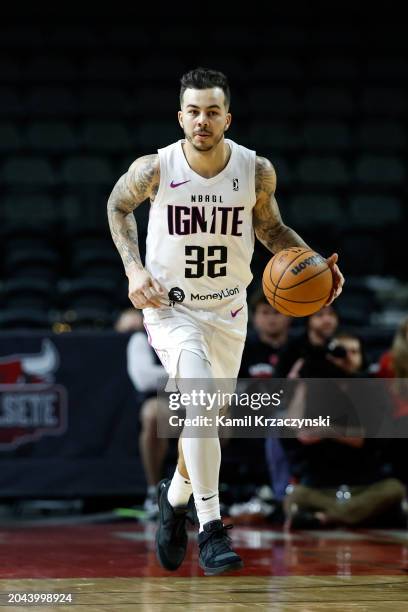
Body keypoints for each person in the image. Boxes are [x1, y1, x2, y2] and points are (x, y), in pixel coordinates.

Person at [107, 67, 344, 575]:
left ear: (227, 118)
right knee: (196, 396)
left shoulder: (254, 170)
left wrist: (316, 266)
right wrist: (133, 269)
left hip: (228, 311)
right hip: (171, 308)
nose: (202, 120)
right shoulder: (156, 167)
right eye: (193, 111)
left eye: (212, 111)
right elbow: (117, 206)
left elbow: (272, 230)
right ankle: (211, 528)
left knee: (204, 420)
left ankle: (171, 502)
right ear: (180, 117)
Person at [282, 332, 405, 529]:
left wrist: (326, 430)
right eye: (341, 352)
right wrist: (301, 382)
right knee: (295, 496)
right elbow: (296, 431)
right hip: (321, 487)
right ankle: (356, 516)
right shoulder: (317, 387)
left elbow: (368, 438)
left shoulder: (372, 388)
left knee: (395, 489)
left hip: (365, 485)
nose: (347, 358)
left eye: (354, 352)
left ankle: (324, 519)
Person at [115, 309, 168, 518]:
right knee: (152, 415)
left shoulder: (197, 328)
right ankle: (154, 492)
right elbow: (144, 379)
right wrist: (185, 372)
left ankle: (208, 493)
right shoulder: (141, 338)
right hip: (164, 397)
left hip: (198, 393)